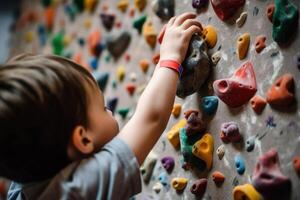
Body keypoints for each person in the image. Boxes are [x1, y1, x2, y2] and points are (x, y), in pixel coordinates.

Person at [0, 12, 202, 199]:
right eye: (102, 107)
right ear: (83, 139)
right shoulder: (84, 186)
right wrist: (169, 58)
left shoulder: (23, 183)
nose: (109, 109)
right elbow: (151, 118)